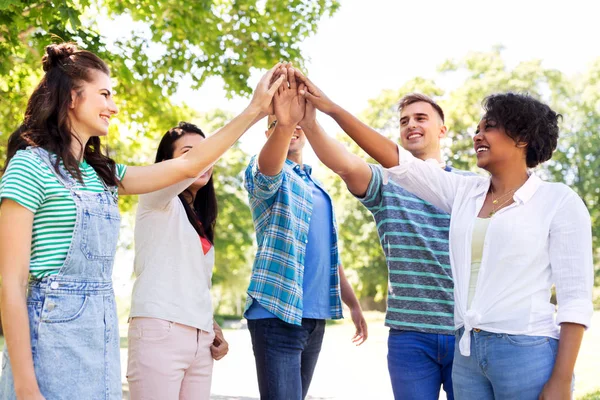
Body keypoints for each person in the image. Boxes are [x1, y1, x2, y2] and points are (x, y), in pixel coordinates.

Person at [0, 42, 284, 400]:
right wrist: (26, 387)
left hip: (100, 344)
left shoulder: (104, 175)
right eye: (103, 94)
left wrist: (255, 111)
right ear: (72, 98)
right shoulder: (29, 166)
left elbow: (188, 165)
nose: (113, 107)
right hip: (49, 346)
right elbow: (11, 282)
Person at [376, 93, 592, 399]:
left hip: (526, 352)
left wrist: (561, 378)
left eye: (488, 127)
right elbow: (399, 162)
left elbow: (575, 300)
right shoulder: (466, 191)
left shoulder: (558, 201)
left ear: (522, 137)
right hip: (467, 354)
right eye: (478, 129)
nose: (477, 135)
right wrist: (328, 108)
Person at [293, 70, 467, 399]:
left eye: (420, 118)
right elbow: (344, 164)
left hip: (464, 332)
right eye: (404, 121)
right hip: (410, 337)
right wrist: (312, 123)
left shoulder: (469, 188)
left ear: (443, 130)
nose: (411, 124)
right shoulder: (386, 182)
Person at [243, 66, 367, 400]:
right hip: (276, 312)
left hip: (314, 317)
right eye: (280, 124)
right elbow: (268, 172)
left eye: (298, 123)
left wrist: (353, 304)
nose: (291, 127)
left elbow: (329, 254)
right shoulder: (265, 173)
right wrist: (283, 121)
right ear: (269, 132)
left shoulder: (316, 186)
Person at [126, 122, 230, 399]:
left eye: (208, 153)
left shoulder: (200, 218)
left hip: (200, 341)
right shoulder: (156, 198)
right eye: (189, 152)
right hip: (159, 332)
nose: (204, 159)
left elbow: (194, 283)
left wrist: (212, 327)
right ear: (165, 163)